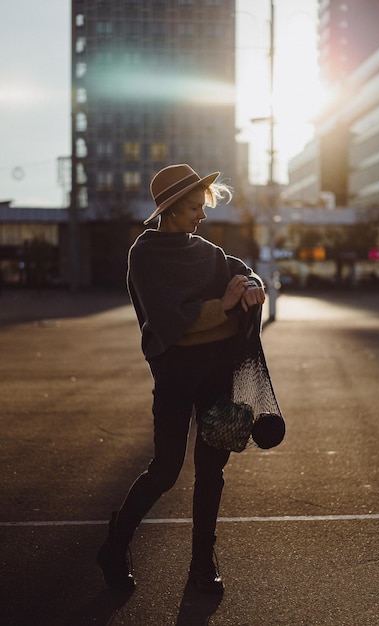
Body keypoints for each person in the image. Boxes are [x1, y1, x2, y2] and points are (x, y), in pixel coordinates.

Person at [97, 163, 265, 593]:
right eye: (194, 207)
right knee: (166, 469)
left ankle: (202, 563)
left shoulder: (207, 253)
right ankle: (115, 545)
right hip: (174, 373)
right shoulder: (145, 255)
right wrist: (224, 306)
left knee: (212, 470)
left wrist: (250, 285)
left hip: (216, 374)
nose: (202, 216)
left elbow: (240, 268)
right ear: (171, 209)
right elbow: (169, 323)